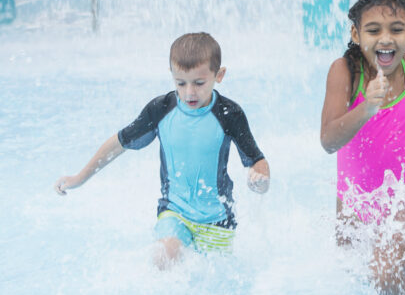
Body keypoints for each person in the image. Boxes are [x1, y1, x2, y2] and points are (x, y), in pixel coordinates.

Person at [54, 32, 270, 268]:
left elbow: (257, 160)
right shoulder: (161, 110)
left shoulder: (230, 114)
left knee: (212, 283)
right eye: (180, 83)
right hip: (174, 212)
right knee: (164, 258)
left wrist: (261, 180)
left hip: (218, 218)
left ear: (219, 75)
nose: (189, 92)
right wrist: (79, 178)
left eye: (199, 83)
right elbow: (118, 144)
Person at [320, 0, 405, 295]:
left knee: (385, 274)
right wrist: (366, 107)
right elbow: (328, 141)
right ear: (356, 34)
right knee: (362, 284)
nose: (386, 39)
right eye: (373, 30)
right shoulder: (344, 72)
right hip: (354, 203)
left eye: (397, 30)